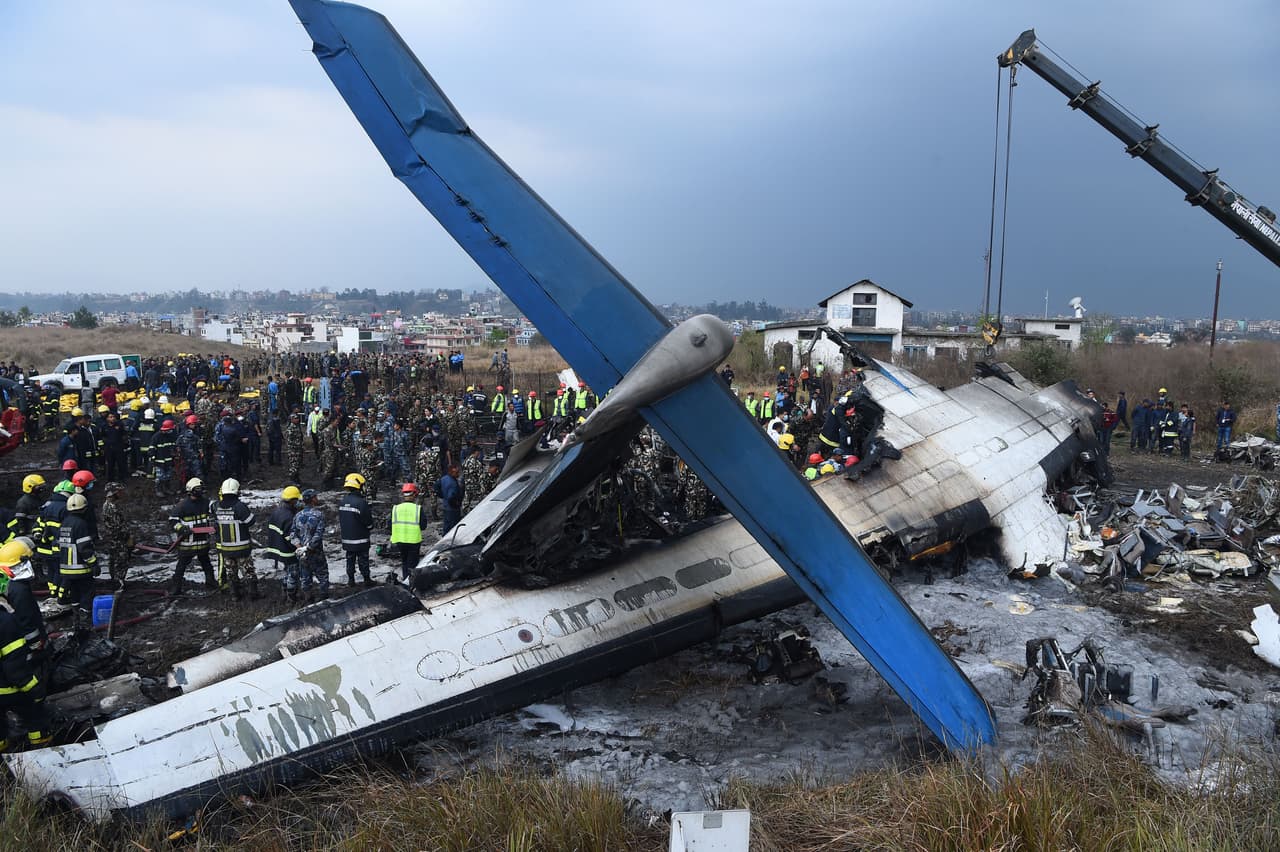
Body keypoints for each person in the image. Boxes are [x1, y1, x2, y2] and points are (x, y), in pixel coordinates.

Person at [0, 561, 52, 752]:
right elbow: (14, 666)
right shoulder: (5, 621)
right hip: (7, 689)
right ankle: (41, 751)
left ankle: (4, 763)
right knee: (35, 716)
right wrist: (34, 688)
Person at [211, 478, 259, 600]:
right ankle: (253, 594)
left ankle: (235, 595)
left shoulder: (216, 506)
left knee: (231, 572)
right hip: (242, 547)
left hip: (226, 548)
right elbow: (250, 521)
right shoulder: (239, 506)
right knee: (248, 571)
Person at [56, 493, 97, 631]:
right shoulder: (81, 524)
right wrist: (93, 563)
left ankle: (76, 619)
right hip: (81, 568)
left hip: (66, 569)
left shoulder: (64, 523)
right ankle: (85, 621)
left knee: (74, 594)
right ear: (84, 509)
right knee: (87, 593)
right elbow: (84, 548)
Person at [169, 478, 216, 595]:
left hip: (202, 542)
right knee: (181, 566)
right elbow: (172, 521)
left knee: (207, 564)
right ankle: (176, 588)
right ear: (191, 490)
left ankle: (211, 584)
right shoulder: (182, 506)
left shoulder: (206, 503)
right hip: (187, 544)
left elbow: (216, 509)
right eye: (198, 489)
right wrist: (181, 528)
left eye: (201, 488)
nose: (201, 491)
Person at [289, 490, 329, 601]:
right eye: (315, 497)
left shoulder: (297, 516)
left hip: (302, 554)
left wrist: (299, 547)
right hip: (316, 552)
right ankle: (324, 598)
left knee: (305, 576)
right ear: (312, 499)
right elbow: (318, 534)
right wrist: (308, 547)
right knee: (322, 575)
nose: (317, 498)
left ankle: (308, 599)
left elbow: (292, 534)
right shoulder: (319, 515)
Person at [266, 486, 301, 600]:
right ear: (292, 501)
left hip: (278, 548)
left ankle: (284, 592)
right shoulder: (289, 517)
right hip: (287, 551)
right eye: (297, 500)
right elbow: (290, 537)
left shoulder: (277, 512)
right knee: (293, 574)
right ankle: (292, 597)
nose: (298, 502)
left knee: (287, 572)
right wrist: (299, 548)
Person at [338, 473, 374, 586]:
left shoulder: (343, 501)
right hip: (361, 539)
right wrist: (370, 527)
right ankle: (367, 580)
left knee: (350, 560)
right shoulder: (361, 503)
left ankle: (351, 580)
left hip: (347, 539)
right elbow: (368, 522)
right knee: (363, 560)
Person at [389, 482, 429, 581]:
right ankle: (411, 583)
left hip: (399, 540)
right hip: (413, 541)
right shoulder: (418, 509)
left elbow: (389, 524)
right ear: (414, 495)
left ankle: (405, 580)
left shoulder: (396, 508)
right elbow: (423, 526)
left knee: (404, 561)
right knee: (412, 564)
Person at [99, 482, 133, 591]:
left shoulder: (108, 505)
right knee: (121, 560)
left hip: (114, 538)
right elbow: (118, 526)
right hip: (118, 539)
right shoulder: (112, 507)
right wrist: (127, 536)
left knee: (114, 560)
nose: (120, 493)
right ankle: (119, 583)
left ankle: (116, 581)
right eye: (118, 491)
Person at [439, 464, 463, 535]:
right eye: (456, 472)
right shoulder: (453, 483)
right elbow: (451, 497)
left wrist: (442, 495)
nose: (458, 474)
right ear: (451, 472)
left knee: (446, 525)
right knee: (453, 528)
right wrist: (456, 505)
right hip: (452, 509)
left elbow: (436, 487)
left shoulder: (444, 479)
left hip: (446, 506)